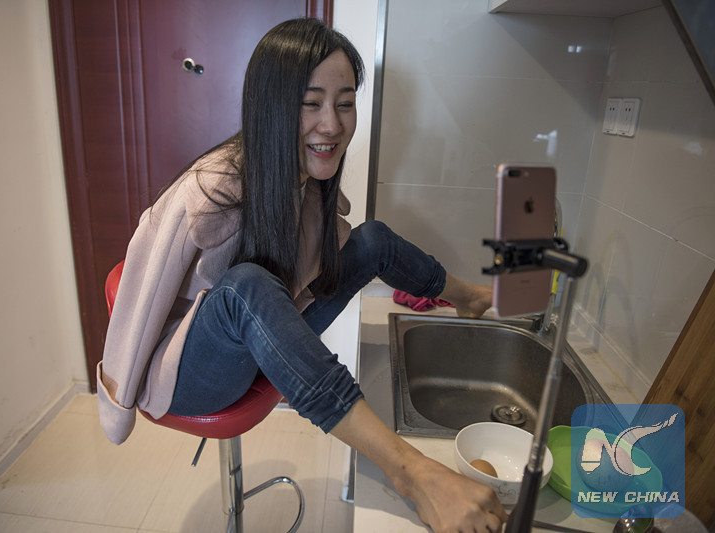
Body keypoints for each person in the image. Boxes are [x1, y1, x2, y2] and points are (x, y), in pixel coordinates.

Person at [98, 17, 507, 533]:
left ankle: (470, 296)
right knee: (246, 286)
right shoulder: (211, 189)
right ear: (273, 105)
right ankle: (411, 473)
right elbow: (142, 290)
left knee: (372, 238)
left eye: (344, 103)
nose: (331, 124)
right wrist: (117, 404)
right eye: (311, 103)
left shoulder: (307, 177)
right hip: (192, 371)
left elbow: (325, 254)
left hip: (261, 332)